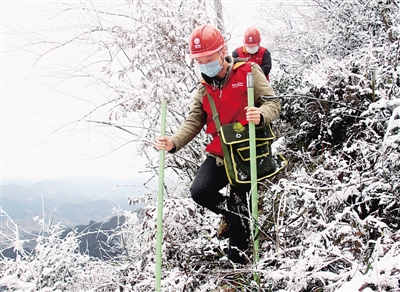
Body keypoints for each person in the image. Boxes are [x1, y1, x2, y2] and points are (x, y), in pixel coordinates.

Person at [155, 24, 280, 264]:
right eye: (199, 60)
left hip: (247, 151)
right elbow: (194, 120)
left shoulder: (249, 71)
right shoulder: (204, 89)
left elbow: (273, 103)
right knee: (200, 191)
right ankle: (233, 218)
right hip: (221, 153)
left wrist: (261, 114)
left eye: (208, 58)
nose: (204, 65)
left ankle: (237, 259)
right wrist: (173, 142)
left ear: (223, 51)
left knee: (240, 198)